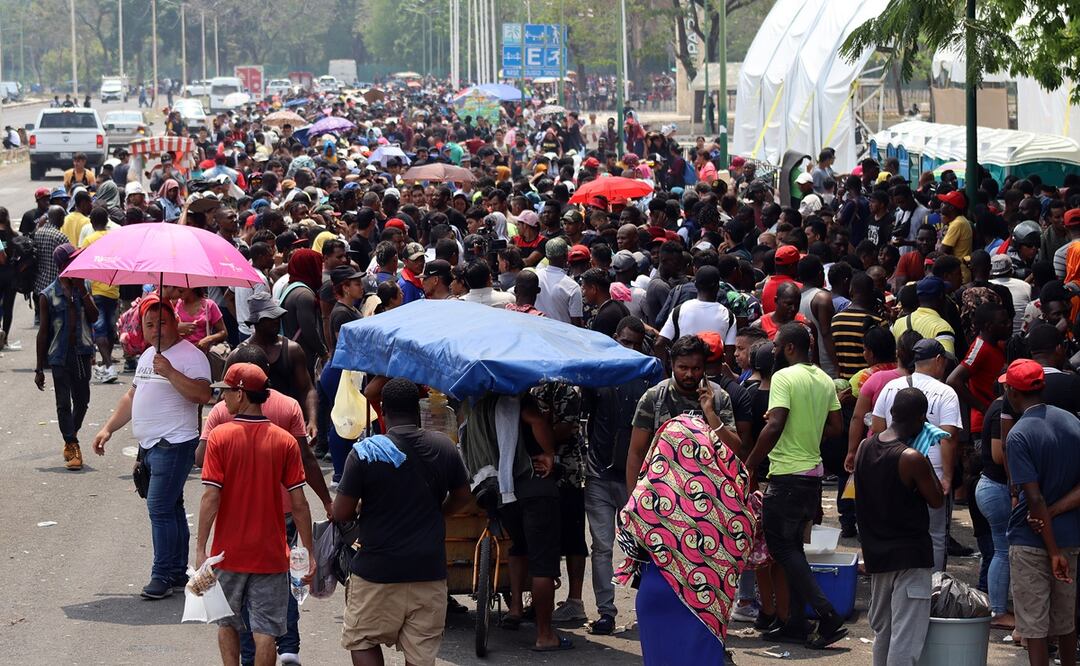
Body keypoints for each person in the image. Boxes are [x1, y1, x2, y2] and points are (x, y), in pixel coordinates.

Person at [197, 345, 333, 666]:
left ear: (242, 394)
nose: (223, 398)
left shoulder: (220, 437)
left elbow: (210, 497)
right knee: (266, 632)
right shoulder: (284, 441)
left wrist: (201, 547)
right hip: (272, 553)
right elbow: (299, 504)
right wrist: (310, 553)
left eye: (227, 392)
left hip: (228, 552)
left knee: (227, 622)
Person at [333, 378, 473, 665]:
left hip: (376, 572)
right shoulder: (444, 447)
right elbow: (463, 495)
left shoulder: (364, 453)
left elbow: (341, 512)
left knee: (362, 639)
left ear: (383, 411)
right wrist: (439, 512)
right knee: (421, 654)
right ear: (418, 410)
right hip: (428, 573)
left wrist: (362, 506)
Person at [92, 294, 212, 599]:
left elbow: (202, 394)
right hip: (150, 447)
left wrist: (170, 371)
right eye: (149, 324)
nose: (156, 329)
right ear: (142, 330)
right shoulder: (147, 357)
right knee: (172, 507)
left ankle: (161, 574)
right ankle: (175, 572)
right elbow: (131, 398)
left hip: (175, 443)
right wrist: (107, 428)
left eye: (162, 322)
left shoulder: (191, 356)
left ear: (174, 322)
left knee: (159, 507)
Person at [616, 414, 756, 664]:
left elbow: (630, 545)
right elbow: (741, 549)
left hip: (656, 595)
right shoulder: (729, 502)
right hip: (706, 604)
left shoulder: (646, 498)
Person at [744, 322, 847, 647]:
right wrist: (806, 428)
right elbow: (835, 427)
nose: (772, 351)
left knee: (783, 549)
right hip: (812, 478)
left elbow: (774, 425)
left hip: (787, 476)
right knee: (793, 551)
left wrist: (749, 466)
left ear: (790, 348)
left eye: (776, 346)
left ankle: (827, 615)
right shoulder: (823, 379)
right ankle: (796, 623)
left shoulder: (784, 378)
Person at [855, 387, 944, 666]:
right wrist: (925, 453)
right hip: (909, 557)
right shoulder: (911, 458)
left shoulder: (864, 447)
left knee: (885, 632)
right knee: (905, 640)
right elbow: (937, 499)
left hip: (878, 557)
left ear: (892, 413)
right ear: (921, 419)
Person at [1002, 359, 1080, 666]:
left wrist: (1051, 552)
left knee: (1034, 626)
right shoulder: (1073, 423)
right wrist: (1059, 512)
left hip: (1032, 540)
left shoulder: (1019, 435)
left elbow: (1033, 499)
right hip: (1070, 535)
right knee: (1066, 620)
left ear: (1011, 392)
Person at [580, 317, 650, 635]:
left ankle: (647, 608)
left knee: (645, 545)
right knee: (603, 547)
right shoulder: (598, 374)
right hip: (598, 474)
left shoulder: (648, 378)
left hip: (635, 479)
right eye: (625, 341)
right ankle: (606, 612)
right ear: (615, 339)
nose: (629, 348)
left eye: (635, 343)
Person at [871, 338, 962, 572]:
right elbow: (948, 439)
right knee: (936, 533)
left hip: (893, 466)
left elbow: (879, 428)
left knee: (895, 526)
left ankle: (898, 577)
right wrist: (948, 478)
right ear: (939, 361)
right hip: (932, 470)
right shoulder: (946, 393)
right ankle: (934, 587)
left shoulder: (891, 387)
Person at [626, 335, 741, 493]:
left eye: (696, 368)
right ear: (672, 365)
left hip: (708, 494)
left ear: (704, 367)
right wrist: (633, 501)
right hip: (662, 492)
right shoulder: (654, 398)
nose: (689, 374)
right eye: (683, 368)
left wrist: (710, 413)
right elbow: (636, 452)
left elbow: (735, 449)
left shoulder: (719, 397)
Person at [34, 243, 98, 470]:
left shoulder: (84, 286)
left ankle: (72, 433)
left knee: (82, 400)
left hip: (82, 353)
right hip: (59, 356)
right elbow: (43, 333)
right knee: (63, 402)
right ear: (64, 265)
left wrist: (83, 291)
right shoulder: (48, 295)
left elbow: (94, 317)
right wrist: (39, 368)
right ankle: (72, 444)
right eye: (73, 260)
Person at [78, 207, 121, 383]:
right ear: (107, 220)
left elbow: (81, 262)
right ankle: (106, 365)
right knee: (110, 330)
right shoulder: (115, 239)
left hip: (96, 290)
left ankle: (109, 365)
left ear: (91, 222)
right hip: (114, 289)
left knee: (100, 329)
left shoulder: (89, 240)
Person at [535, 238, 583, 325]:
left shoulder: (535, 277)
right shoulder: (572, 286)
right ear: (566, 256)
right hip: (562, 336)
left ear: (546, 256)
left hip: (539, 332)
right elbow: (577, 323)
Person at [581, 268, 630, 337]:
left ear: (593, 289)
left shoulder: (604, 318)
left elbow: (599, 346)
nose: (583, 293)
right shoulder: (619, 305)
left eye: (584, 288)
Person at [937, 190, 973, 283]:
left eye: (945, 203)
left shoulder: (957, 223)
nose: (941, 204)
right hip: (959, 273)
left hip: (959, 275)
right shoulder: (959, 220)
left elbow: (942, 251)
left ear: (951, 207)